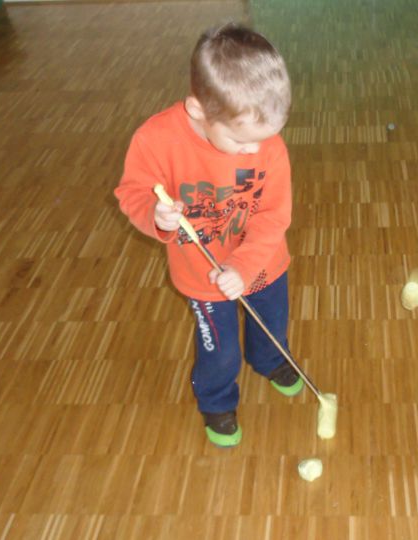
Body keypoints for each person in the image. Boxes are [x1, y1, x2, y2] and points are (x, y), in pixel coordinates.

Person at [114, 23, 299, 448]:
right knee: (219, 350)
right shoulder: (155, 140)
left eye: (266, 136)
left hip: (263, 261)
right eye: (241, 139)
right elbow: (132, 193)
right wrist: (156, 217)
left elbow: (273, 216)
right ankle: (216, 401)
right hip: (202, 274)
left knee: (271, 322)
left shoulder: (266, 145)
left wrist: (243, 265)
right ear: (198, 109)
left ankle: (270, 360)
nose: (256, 151)